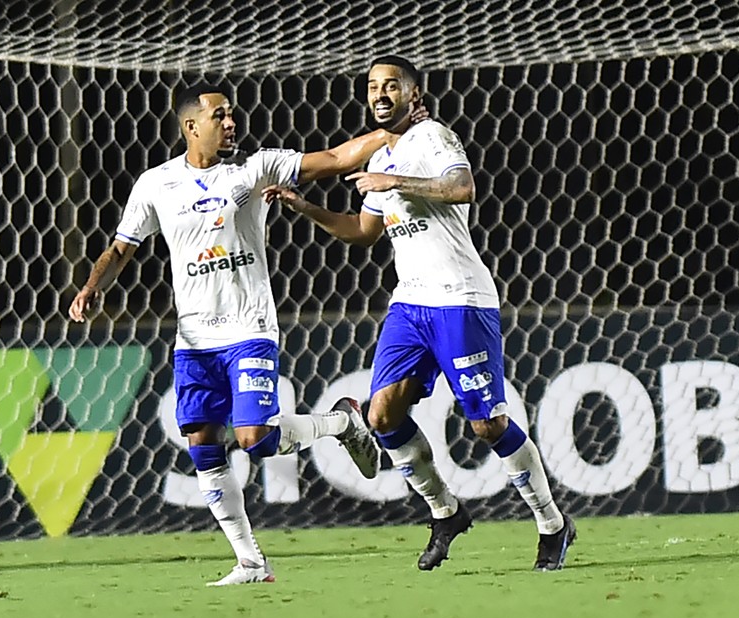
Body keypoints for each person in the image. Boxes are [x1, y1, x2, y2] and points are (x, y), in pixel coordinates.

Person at [68, 81, 421, 586]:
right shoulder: (156, 184)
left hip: (248, 328)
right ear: (192, 127)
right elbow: (123, 246)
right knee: (202, 446)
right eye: (220, 117)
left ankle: (342, 426)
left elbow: (337, 159)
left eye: (232, 115)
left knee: (254, 438)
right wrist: (91, 286)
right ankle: (251, 562)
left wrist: (397, 130)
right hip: (193, 340)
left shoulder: (256, 168)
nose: (231, 123)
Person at [263, 56, 576, 572]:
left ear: (413, 92)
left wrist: (398, 182)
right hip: (410, 303)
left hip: (459, 299)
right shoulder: (386, 152)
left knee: (487, 426)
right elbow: (362, 232)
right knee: (382, 415)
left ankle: (552, 524)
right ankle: (445, 513)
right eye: (372, 87)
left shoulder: (433, 138)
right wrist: (304, 207)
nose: (380, 94)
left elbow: (461, 188)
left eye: (392, 86)